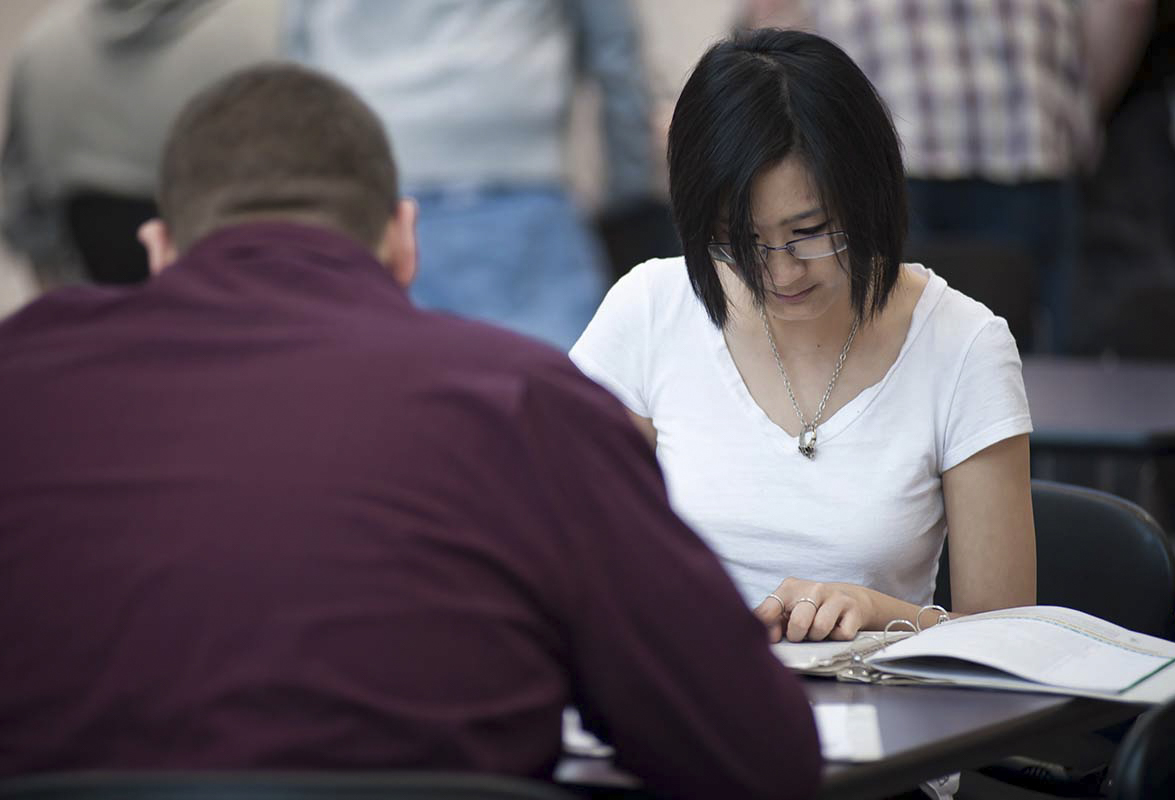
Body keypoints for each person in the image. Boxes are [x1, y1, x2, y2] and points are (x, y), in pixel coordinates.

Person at [0, 64, 820, 799]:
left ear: (158, 250)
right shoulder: (522, 401)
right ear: (402, 239)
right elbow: (759, 756)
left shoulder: (21, 381)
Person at [570, 29, 1037, 644]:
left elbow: (1011, 641)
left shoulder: (964, 346)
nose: (782, 271)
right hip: (682, 704)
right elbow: (560, 544)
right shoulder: (651, 308)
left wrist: (877, 612)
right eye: (740, 241)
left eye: (810, 230)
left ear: (866, 194)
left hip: (891, 722)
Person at [740, 0, 1156, 353]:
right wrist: (1071, 112)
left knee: (884, 377)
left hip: (877, 123)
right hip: (1030, 127)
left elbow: (775, 13)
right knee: (1039, 392)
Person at [286, 0, 655, 351]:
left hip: (374, 205)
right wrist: (629, 206)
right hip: (524, 212)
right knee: (566, 399)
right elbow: (616, 58)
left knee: (387, 401)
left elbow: (300, 64)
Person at [0, 0, 284, 287]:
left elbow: (23, 220)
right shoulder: (280, 38)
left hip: (98, 312)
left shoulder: (41, 49)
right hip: (242, 308)